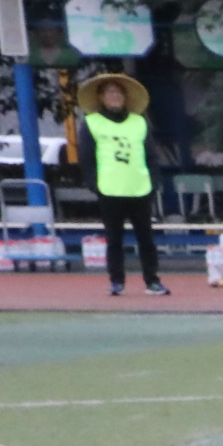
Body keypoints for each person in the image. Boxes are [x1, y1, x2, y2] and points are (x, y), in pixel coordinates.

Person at [76, 72, 166, 298]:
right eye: (109, 92)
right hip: (110, 189)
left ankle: (152, 281)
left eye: (118, 92)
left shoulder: (139, 122)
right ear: (101, 97)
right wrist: (94, 185)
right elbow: (86, 158)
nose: (114, 96)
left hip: (139, 187)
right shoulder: (92, 123)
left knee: (146, 239)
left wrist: (154, 183)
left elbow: (151, 156)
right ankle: (117, 281)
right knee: (114, 239)